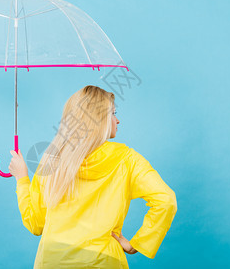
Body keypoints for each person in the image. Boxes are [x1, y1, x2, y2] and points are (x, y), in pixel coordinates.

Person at [9, 85, 177, 268]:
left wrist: (22, 178)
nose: (117, 120)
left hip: (52, 261)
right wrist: (137, 244)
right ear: (99, 119)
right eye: (113, 113)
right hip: (104, 262)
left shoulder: (52, 159)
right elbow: (166, 200)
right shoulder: (127, 158)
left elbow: (36, 224)